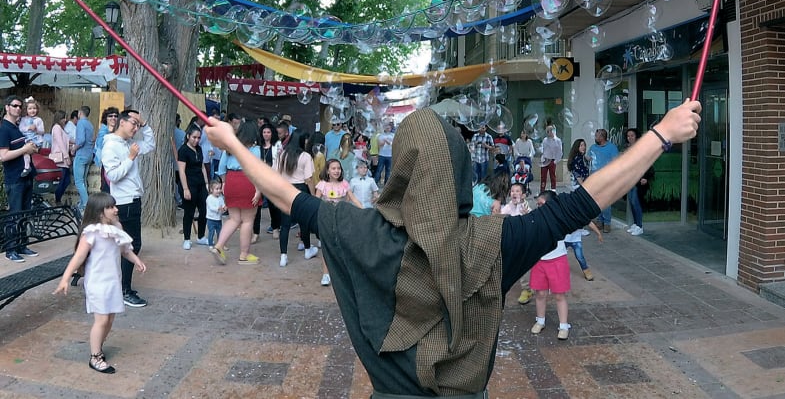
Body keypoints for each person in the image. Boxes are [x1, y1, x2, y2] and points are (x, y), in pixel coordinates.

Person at [205, 100, 701, 397]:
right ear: (463, 174)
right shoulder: (497, 241)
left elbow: (283, 194)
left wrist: (234, 144)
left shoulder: (353, 230)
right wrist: (661, 135)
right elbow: (586, 200)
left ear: (399, 171)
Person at [53, 192, 146, 374]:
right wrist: (65, 278)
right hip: (97, 282)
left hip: (113, 280)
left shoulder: (116, 227)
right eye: (111, 207)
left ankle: (99, 346)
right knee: (102, 319)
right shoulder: (91, 233)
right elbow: (78, 257)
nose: (115, 209)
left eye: (114, 205)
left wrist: (136, 260)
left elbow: (124, 249)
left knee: (110, 318)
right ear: (100, 212)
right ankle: (95, 356)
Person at [101, 109, 155, 308]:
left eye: (138, 124)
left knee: (126, 245)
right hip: (124, 203)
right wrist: (130, 158)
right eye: (133, 123)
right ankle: (124, 289)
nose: (136, 127)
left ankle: (120, 286)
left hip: (133, 199)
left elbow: (150, 144)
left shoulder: (126, 144)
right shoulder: (111, 147)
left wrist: (146, 123)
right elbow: (113, 176)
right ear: (121, 122)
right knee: (131, 245)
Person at [212, 120, 263, 265]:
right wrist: (258, 190)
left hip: (231, 181)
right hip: (247, 182)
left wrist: (224, 183)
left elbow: (221, 168)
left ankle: (219, 246)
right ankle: (244, 254)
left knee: (233, 218)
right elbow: (257, 172)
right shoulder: (255, 149)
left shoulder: (229, 147)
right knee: (247, 220)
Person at [0, 95, 40, 262]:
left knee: (24, 213)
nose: (18, 109)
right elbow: (3, 156)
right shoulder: (4, 129)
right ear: (7, 107)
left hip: (26, 176)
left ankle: (22, 245)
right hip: (14, 178)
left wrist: (31, 149)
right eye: (15, 106)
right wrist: (25, 149)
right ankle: (11, 249)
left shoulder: (17, 127)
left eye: (20, 106)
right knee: (15, 214)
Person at [530, 190, 573, 340]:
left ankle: (563, 325)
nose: (538, 206)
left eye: (541, 203)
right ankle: (540, 320)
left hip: (557, 259)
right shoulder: (534, 217)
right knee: (540, 293)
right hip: (539, 260)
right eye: (538, 203)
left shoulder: (559, 219)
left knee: (559, 295)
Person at [314, 158, 362, 285]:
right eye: (333, 168)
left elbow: (353, 199)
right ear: (328, 171)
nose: (336, 171)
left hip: (342, 219)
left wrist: (363, 210)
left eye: (338, 168)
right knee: (327, 246)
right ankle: (325, 273)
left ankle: (342, 273)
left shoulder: (345, 184)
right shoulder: (322, 184)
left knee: (342, 246)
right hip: (326, 219)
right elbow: (316, 202)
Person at [276, 129, 317, 268]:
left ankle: (283, 256)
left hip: (285, 190)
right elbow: (309, 179)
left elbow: (276, 173)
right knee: (303, 222)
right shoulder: (305, 156)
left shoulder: (282, 154)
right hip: (301, 190)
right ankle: (307, 249)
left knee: (285, 224)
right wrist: (313, 195)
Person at [177, 125, 210, 250]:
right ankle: (186, 238)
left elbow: (202, 167)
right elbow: (182, 171)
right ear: (188, 136)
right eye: (194, 137)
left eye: (198, 138)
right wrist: (185, 189)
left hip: (200, 184)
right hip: (189, 184)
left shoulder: (199, 149)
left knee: (204, 210)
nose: (196, 140)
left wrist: (207, 183)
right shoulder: (183, 150)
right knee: (189, 212)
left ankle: (201, 236)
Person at [587, 128, 619, 233]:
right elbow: (588, 158)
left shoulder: (611, 147)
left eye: (597, 136)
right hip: (594, 178)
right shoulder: (593, 147)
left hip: (606, 178)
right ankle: (600, 221)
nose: (595, 138)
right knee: (597, 201)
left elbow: (616, 162)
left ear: (602, 137)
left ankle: (607, 223)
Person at [624, 128, 654, 236]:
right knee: (632, 202)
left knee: (636, 202)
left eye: (632, 135)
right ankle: (636, 224)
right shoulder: (628, 148)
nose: (630, 138)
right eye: (628, 136)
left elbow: (648, 164)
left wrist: (646, 177)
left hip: (639, 180)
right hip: (630, 179)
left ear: (636, 136)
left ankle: (640, 226)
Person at [252, 123, 277, 243]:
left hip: (271, 179)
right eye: (264, 132)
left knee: (273, 204)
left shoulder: (276, 147)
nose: (266, 134)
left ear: (272, 134)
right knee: (257, 205)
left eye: (268, 132)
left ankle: (276, 227)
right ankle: (255, 232)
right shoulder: (257, 148)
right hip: (258, 179)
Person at [73, 106, 95, 211]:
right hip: (89, 154)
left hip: (81, 154)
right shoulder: (90, 124)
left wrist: (74, 148)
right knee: (83, 181)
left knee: (78, 181)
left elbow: (81, 140)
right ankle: (82, 204)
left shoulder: (80, 123)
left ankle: (86, 205)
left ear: (80, 113)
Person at [50, 110, 73, 205]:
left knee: (66, 180)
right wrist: (67, 156)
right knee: (63, 180)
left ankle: (58, 199)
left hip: (63, 158)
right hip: (60, 158)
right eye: (63, 118)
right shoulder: (56, 128)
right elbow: (60, 143)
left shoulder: (61, 129)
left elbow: (67, 141)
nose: (65, 120)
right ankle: (57, 200)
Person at [94, 107, 120, 194]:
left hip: (117, 163)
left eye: (116, 116)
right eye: (110, 116)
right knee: (107, 189)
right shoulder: (103, 131)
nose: (113, 118)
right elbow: (100, 146)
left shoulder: (118, 130)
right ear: (106, 118)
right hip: (107, 164)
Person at [18, 97, 45, 177]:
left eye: (34, 108)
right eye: (30, 108)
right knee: (25, 152)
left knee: (26, 151)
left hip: (36, 140)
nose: (32, 110)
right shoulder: (23, 119)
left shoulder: (38, 120)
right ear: (26, 110)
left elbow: (42, 131)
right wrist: (28, 128)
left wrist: (36, 130)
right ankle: (27, 166)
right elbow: (21, 129)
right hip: (27, 139)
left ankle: (27, 167)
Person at [539, 124, 563, 192]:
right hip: (545, 159)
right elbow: (542, 149)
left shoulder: (557, 140)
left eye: (549, 131)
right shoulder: (545, 140)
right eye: (547, 131)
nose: (548, 132)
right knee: (543, 176)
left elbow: (560, 152)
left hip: (552, 160)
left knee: (552, 176)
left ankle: (553, 190)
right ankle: (542, 190)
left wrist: (556, 160)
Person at [205, 179, 226, 247]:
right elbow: (211, 208)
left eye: (220, 188)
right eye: (216, 189)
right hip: (211, 219)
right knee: (211, 232)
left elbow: (223, 205)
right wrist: (218, 209)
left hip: (218, 219)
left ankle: (220, 244)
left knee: (220, 232)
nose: (219, 190)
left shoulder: (221, 197)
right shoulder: (209, 198)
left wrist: (224, 208)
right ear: (211, 190)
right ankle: (210, 244)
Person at [375, 121, 395, 186]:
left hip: (390, 156)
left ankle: (386, 184)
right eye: (386, 127)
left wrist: (388, 142)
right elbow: (380, 144)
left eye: (389, 127)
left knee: (388, 170)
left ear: (391, 128)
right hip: (382, 155)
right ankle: (375, 183)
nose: (387, 128)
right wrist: (385, 142)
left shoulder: (393, 135)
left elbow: (394, 144)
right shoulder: (381, 135)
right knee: (379, 169)